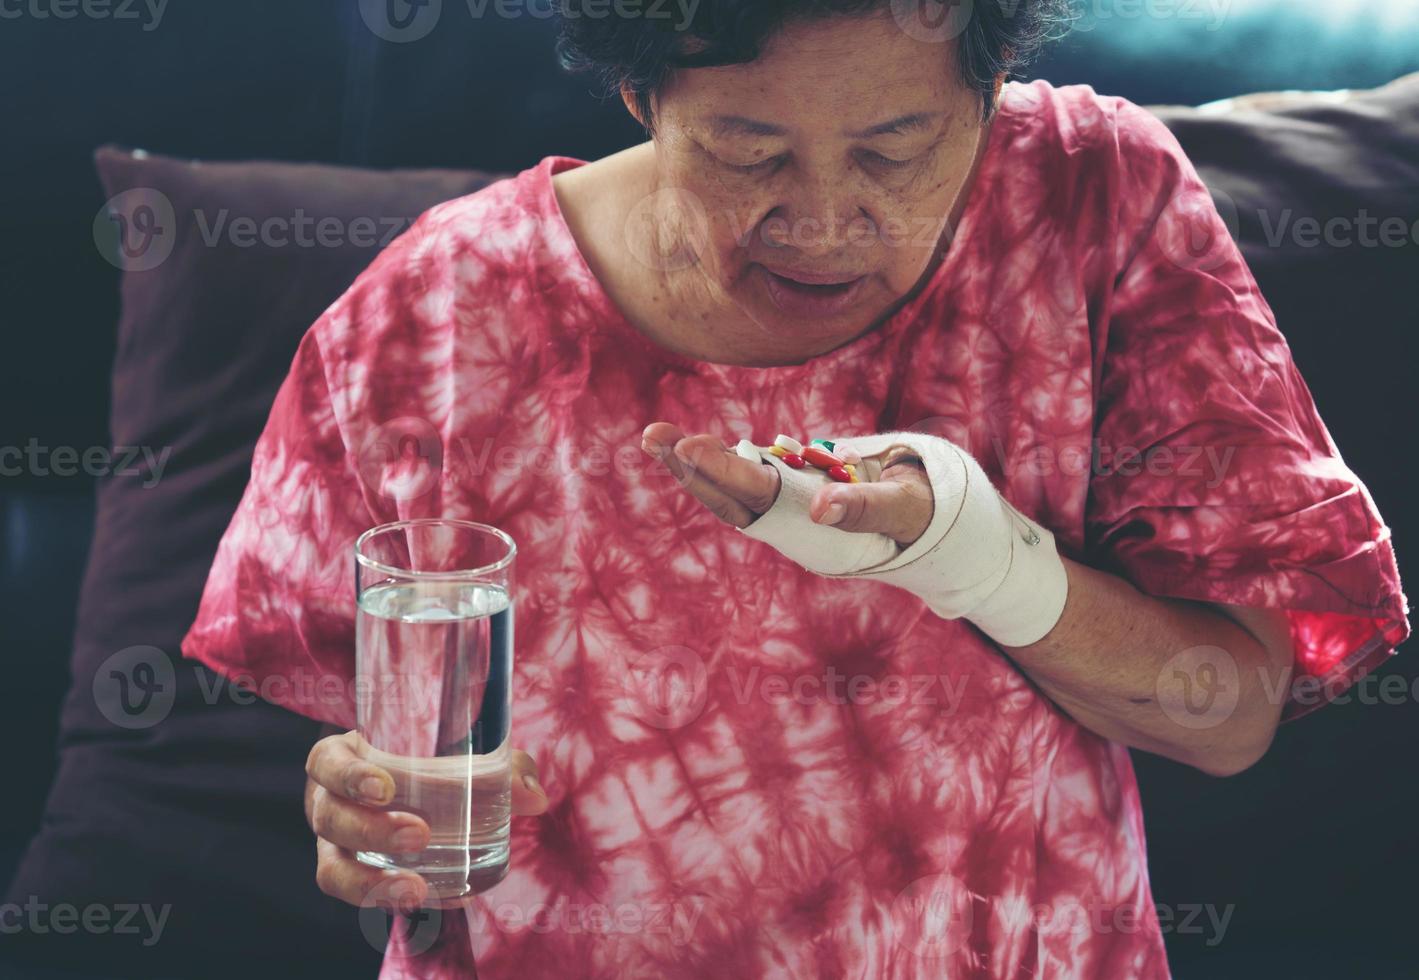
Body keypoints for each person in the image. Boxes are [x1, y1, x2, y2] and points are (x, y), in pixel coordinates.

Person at [181, 2, 1409, 977]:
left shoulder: (1095, 201)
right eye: (745, 152)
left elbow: (1231, 708)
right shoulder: (432, 319)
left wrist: (980, 558)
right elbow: (362, 781)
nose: (826, 222)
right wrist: (358, 811)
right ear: (641, 95)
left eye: (899, 148)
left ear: (987, 92)